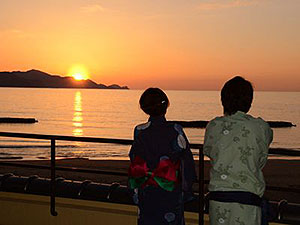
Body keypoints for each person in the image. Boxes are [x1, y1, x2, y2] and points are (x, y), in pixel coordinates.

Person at [203, 76, 273, 225]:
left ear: (223, 100)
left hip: (217, 199)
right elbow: (261, 156)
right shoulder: (260, 127)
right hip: (248, 201)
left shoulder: (214, 125)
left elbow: (208, 150)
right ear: (249, 102)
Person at [128, 87, 197, 225]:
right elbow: (187, 161)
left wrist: (136, 191)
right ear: (165, 106)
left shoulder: (139, 131)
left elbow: (135, 159)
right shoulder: (175, 130)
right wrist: (187, 188)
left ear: (143, 108)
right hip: (170, 193)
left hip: (146, 192)